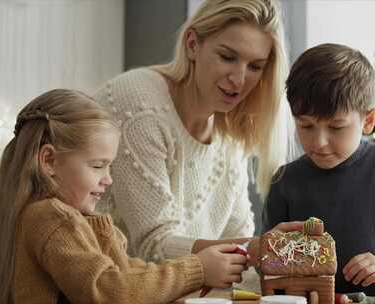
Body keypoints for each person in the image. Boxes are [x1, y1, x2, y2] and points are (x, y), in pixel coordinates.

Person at [0, 89, 251, 304]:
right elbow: (110, 290)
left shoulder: (61, 218)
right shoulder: (51, 217)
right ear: (49, 160)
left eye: (109, 166)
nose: (108, 178)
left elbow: (123, 272)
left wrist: (100, 229)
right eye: (97, 165)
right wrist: (197, 269)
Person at [92, 0, 294, 270]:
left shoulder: (229, 132)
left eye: (255, 66)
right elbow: (152, 246)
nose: (239, 79)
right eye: (227, 57)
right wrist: (252, 250)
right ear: (192, 45)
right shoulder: (140, 105)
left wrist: (269, 257)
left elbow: (237, 239)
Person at [261, 43, 375, 297]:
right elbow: (268, 256)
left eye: (336, 127)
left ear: (368, 121)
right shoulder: (285, 180)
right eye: (306, 126)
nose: (318, 142)